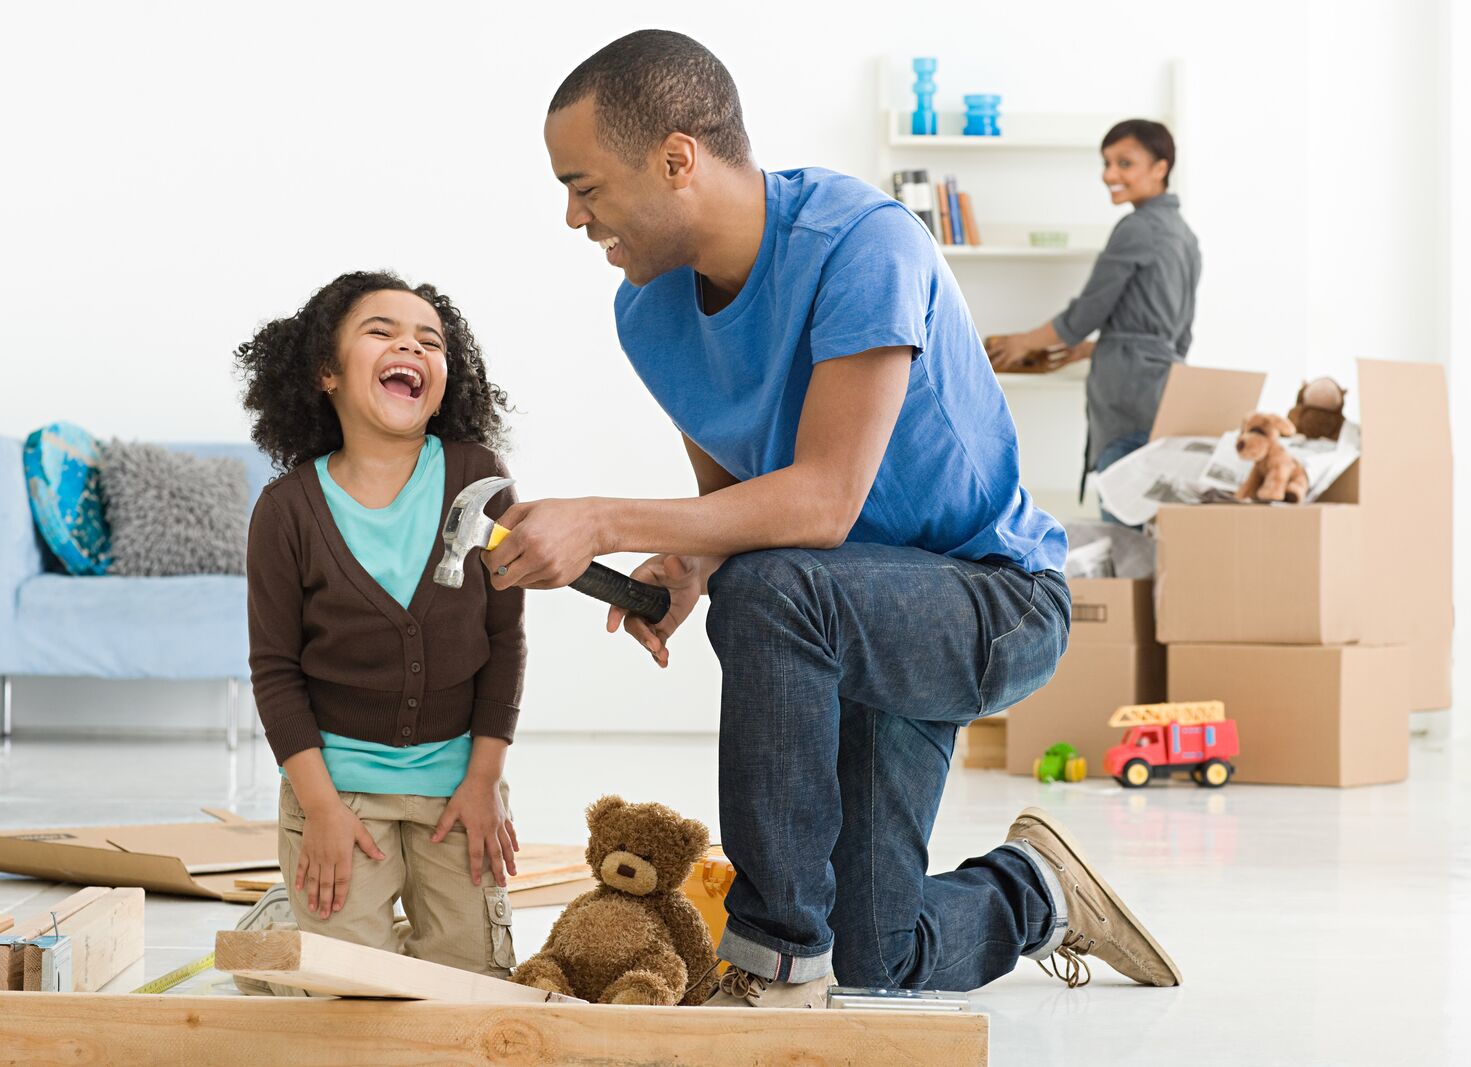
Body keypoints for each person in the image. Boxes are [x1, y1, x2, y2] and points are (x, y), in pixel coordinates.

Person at [492, 30, 1181, 1006]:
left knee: (766, 589)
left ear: (676, 159)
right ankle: (1035, 890)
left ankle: (775, 962)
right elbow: (737, 492)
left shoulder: (863, 244)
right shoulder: (647, 311)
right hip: (841, 612)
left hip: (992, 598)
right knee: (878, 952)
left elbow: (821, 499)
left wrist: (599, 519)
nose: (572, 216)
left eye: (585, 185)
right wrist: (680, 566)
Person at [235, 271, 524, 982]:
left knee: (471, 987)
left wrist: (484, 778)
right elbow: (275, 672)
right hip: (337, 790)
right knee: (351, 997)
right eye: (383, 332)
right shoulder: (286, 511)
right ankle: (279, 921)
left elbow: (505, 638)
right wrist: (321, 808)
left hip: (457, 786)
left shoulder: (477, 477)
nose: (412, 346)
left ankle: (319, 923)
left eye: (431, 340)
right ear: (327, 372)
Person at [986, 120, 1201, 517]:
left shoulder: (1137, 227)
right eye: (1106, 163)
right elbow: (1175, 334)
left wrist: (1020, 344)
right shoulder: (1184, 234)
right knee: (1155, 534)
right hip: (1169, 395)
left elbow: (1084, 314)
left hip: (1129, 401)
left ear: (1160, 167)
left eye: (1125, 163)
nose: (1109, 175)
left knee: (1122, 536)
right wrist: (1091, 350)